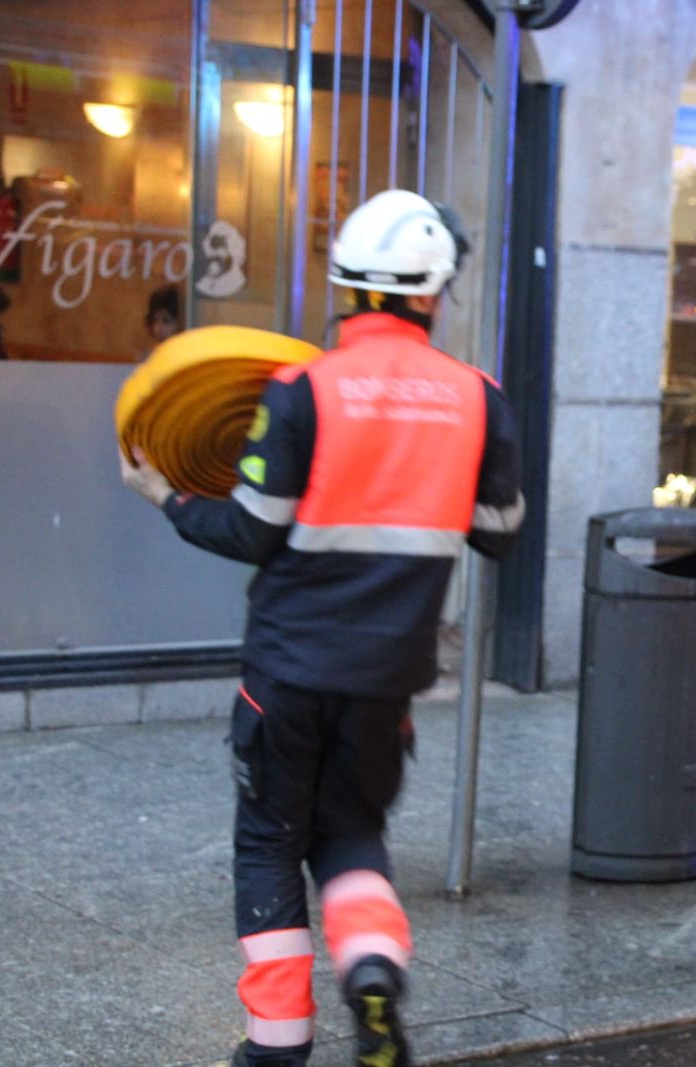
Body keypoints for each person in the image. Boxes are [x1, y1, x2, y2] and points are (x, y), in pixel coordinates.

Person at [120, 189, 524, 1067]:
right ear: (430, 293)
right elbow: (500, 535)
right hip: (389, 679)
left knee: (270, 840)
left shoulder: (301, 390)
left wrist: (168, 496)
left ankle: (278, 1044)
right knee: (351, 833)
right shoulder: (479, 398)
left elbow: (249, 530)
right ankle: (371, 969)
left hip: (286, 671)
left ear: (345, 284)